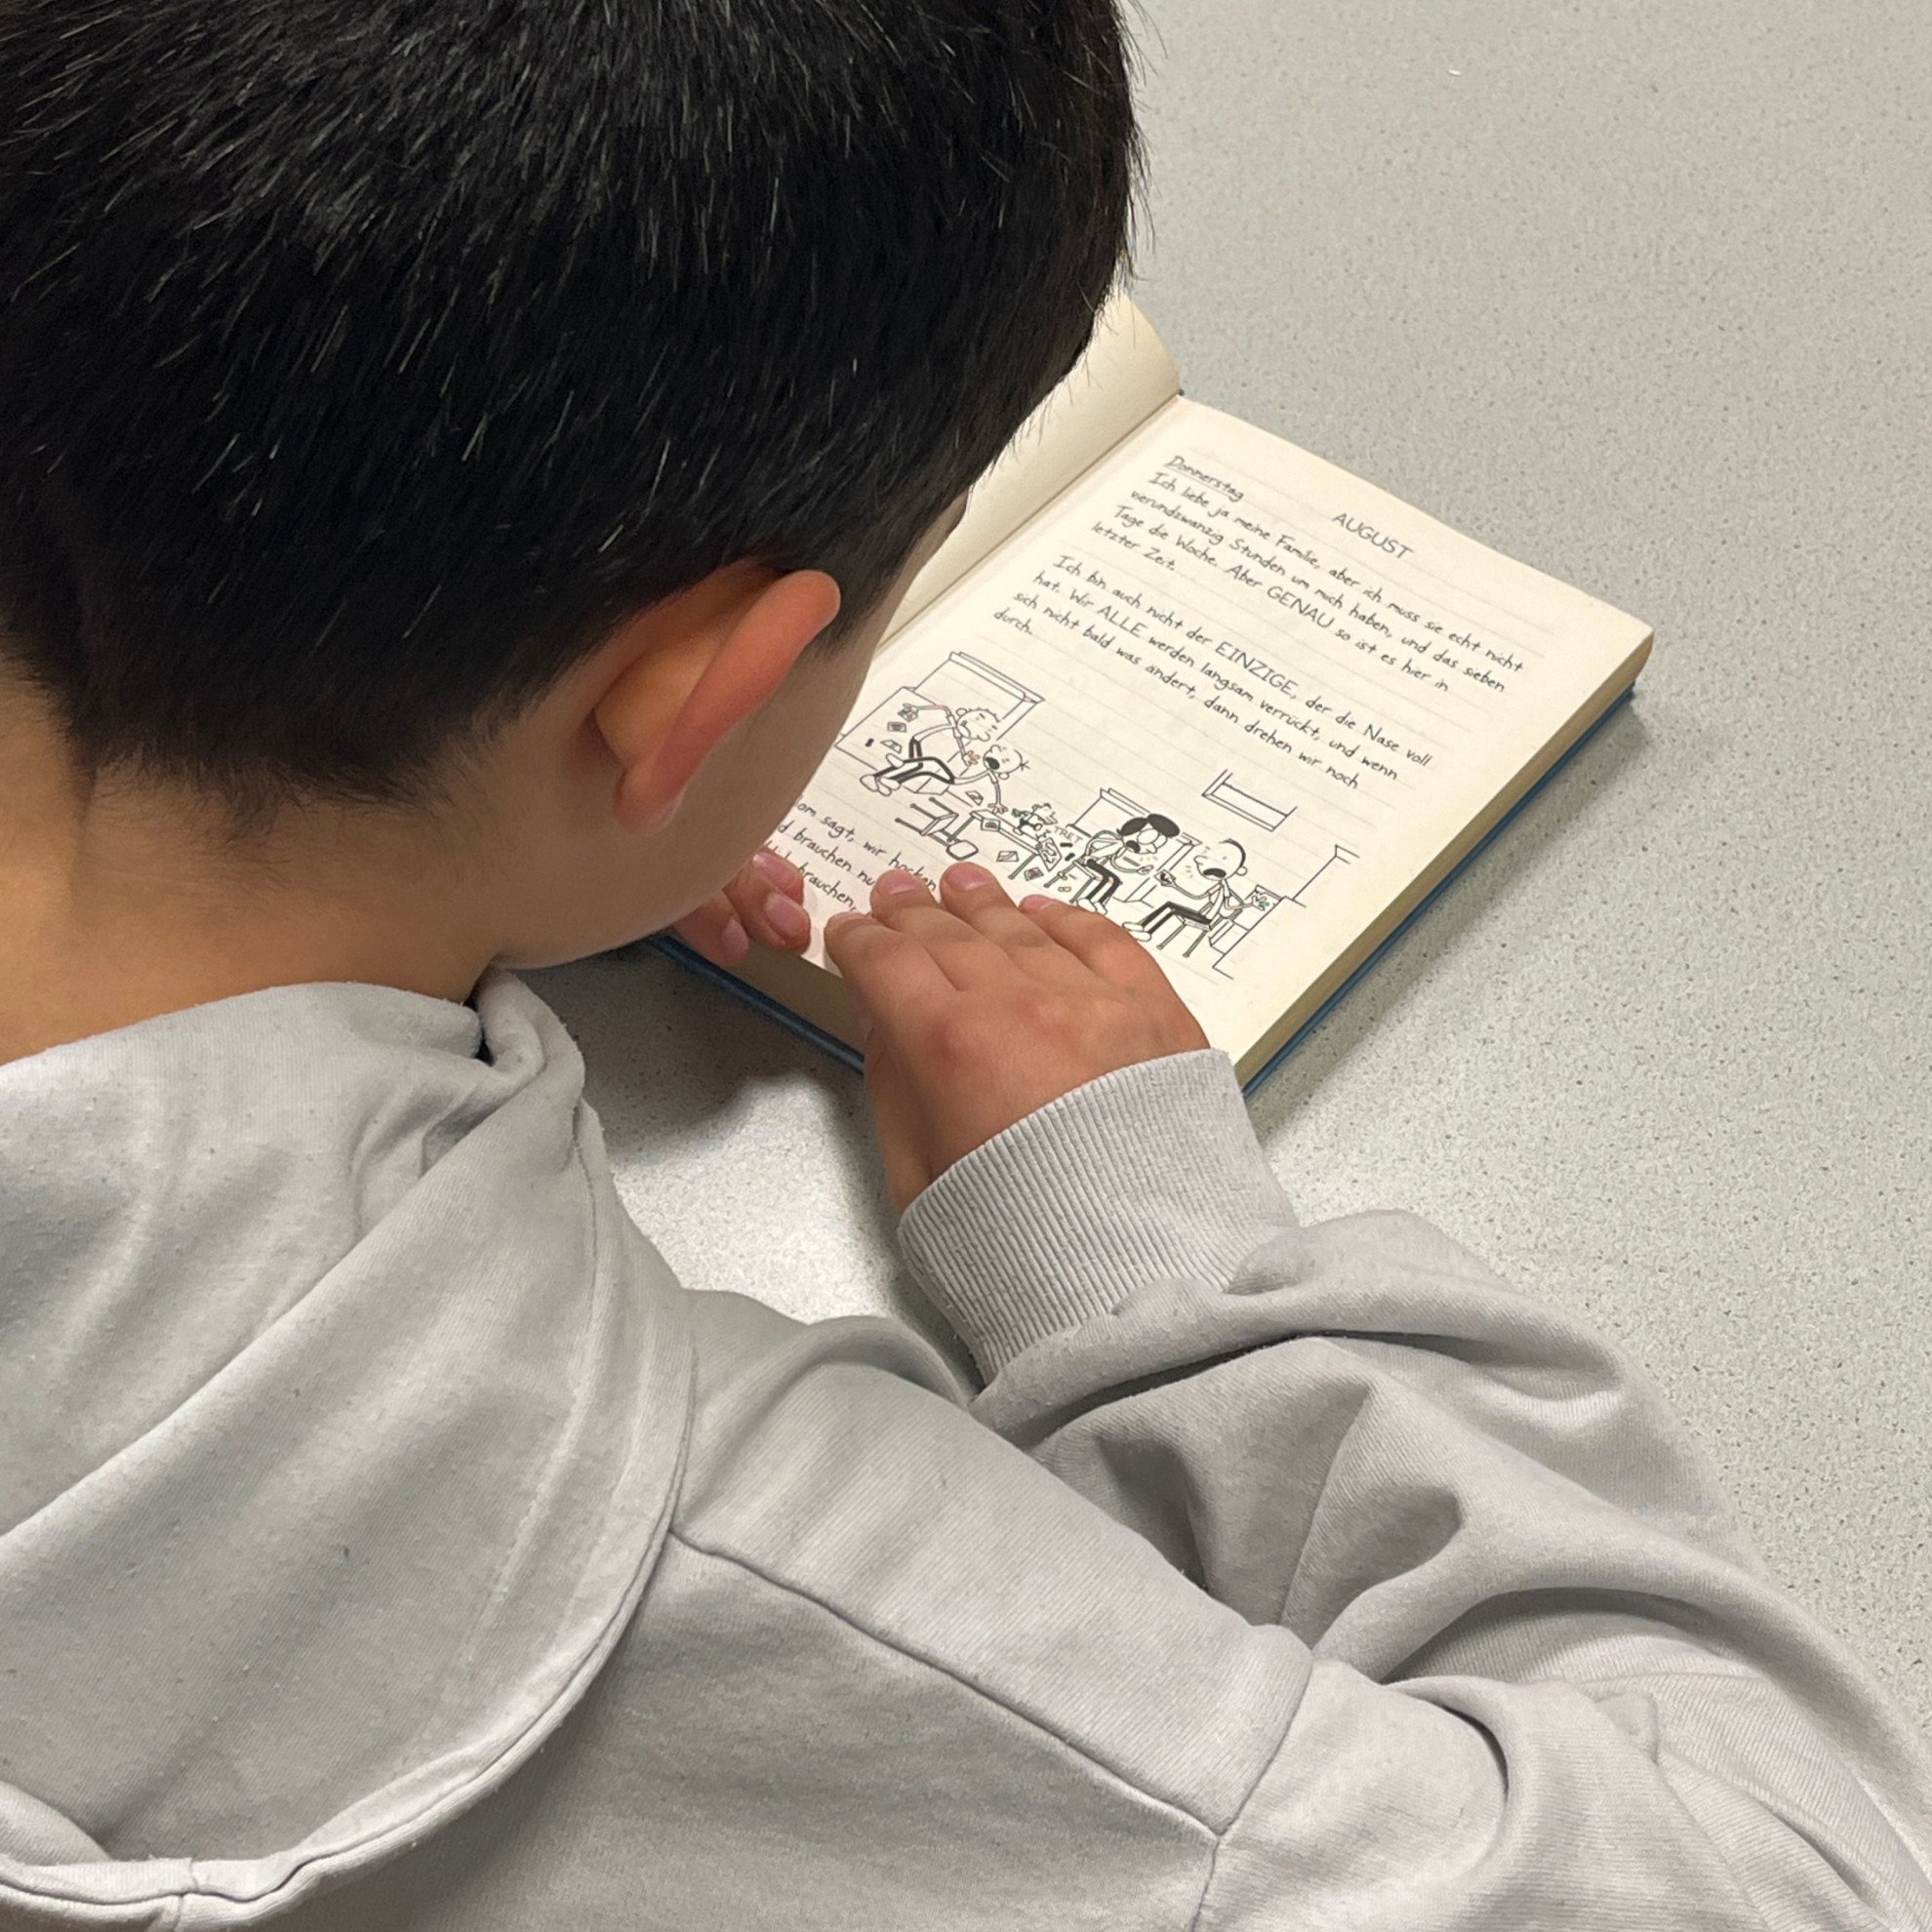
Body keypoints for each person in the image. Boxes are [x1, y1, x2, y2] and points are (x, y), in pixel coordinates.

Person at [0, 3, 1926, 1928]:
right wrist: (1161, 1263)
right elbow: (1796, 1875)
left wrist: (487, 846)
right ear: (698, 701)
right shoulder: (720, 1571)